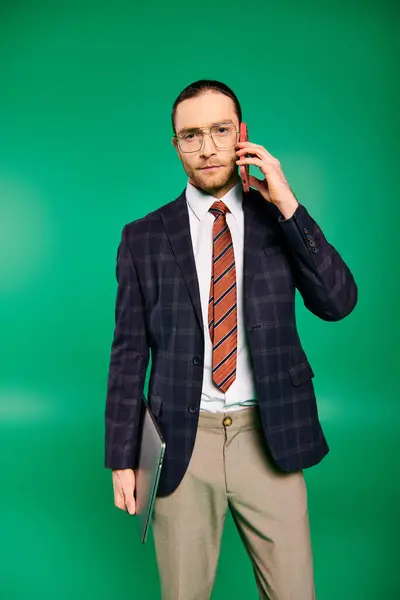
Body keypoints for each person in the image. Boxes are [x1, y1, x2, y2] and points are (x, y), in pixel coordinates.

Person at [104, 79, 358, 600]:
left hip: (269, 435)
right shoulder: (143, 237)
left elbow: (338, 302)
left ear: (241, 134)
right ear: (176, 146)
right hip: (180, 442)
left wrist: (288, 203)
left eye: (220, 130)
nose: (208, 147)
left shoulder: (278, 221)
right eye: (190, 135)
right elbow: (129, 351)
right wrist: (121, 457)